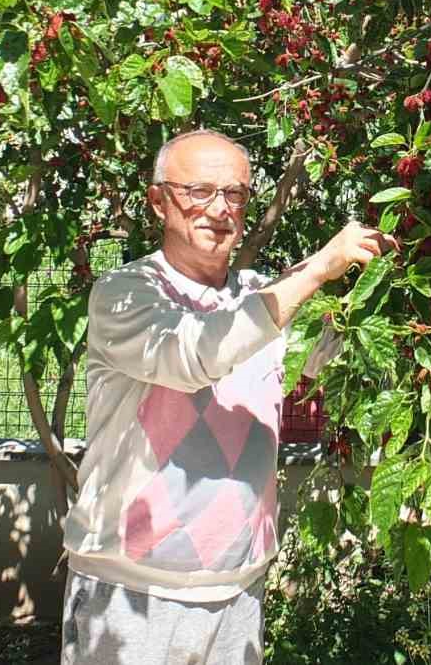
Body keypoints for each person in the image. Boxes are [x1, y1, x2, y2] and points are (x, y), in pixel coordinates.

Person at [61, 128, 396, 664]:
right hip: (131, 595)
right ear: (157, 201)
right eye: (199, 191)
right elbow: (194, 356)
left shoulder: (257, 296)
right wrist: (316, 270)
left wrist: (394, 289)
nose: (219, 209)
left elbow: (340, 357)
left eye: (235, 194)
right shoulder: (125, 294)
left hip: (237, 591)